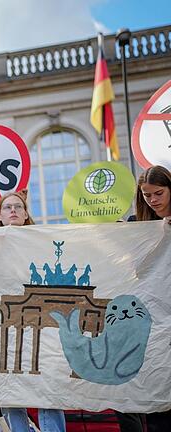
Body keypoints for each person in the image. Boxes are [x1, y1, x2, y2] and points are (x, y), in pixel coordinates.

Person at [0, 192, 64, 432]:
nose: (13, 210)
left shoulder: (41, 243)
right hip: (6, 329)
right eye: (8, 207)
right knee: (11, 393)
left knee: (46, 389)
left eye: (18, 207)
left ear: (25, 214)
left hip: (40, 327)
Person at [118, 165, 171, 432]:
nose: (153, 200)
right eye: (147, 195)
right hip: (155, 321)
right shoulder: (136, 226)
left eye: (159, 193)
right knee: (158, 391)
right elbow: (134, 269)